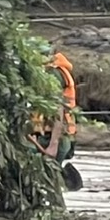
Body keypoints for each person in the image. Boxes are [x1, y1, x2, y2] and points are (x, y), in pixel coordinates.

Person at [39, 47, 81, 190]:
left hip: (54, 135)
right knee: (49, 177)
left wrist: (53, 144)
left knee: (49, 177)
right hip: (59, 135)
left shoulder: (52, 74)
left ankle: (54, 204)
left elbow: (59, 109)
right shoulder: (53, 71)